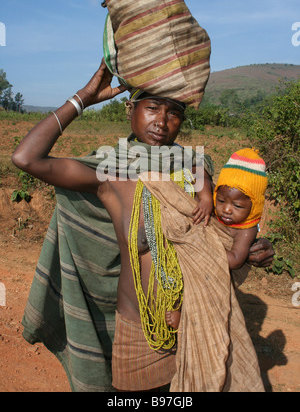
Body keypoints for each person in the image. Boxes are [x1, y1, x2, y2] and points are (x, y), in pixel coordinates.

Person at [11, 60, 274, 392]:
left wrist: (255, 246)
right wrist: (85, 97)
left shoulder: (197, 171)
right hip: (140, 330)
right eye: (152, 108)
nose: (162, 122)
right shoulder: (112, 174)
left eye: (174, 112)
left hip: (199, 321)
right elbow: (26, 159)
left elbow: (229, 231)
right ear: (129, 110)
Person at [166, 148, 268, 330]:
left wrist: (202, 249)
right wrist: (205, 200)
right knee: (182, 277)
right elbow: (201, 179)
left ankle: (183, 313)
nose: (227, 210)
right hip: (203, 264)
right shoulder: (214, 209)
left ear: (253, 207)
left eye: (237, 205)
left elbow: (236, 260)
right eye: (221, 201)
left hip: (216, 273)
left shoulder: (246, 230)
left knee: (201, 291)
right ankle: (176, 306)